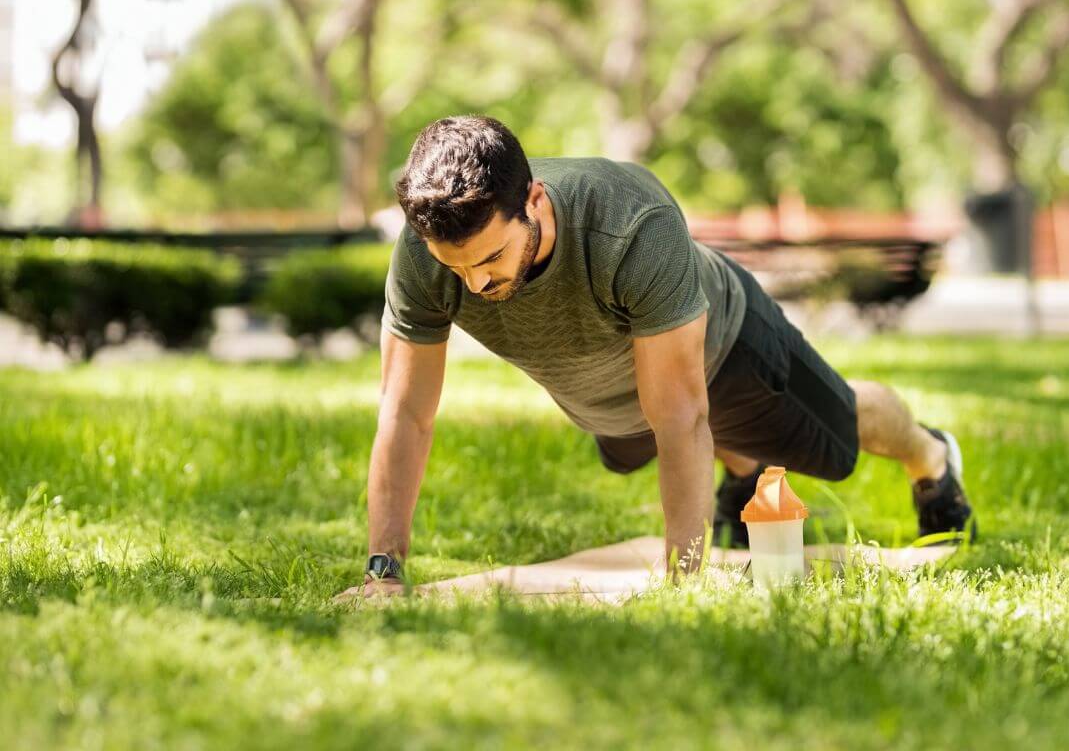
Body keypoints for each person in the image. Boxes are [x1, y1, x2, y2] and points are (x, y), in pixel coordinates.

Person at [343, 115, 975, 597]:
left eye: (490, 260)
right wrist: (383, 571)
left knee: (832, 440)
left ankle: (931, 454)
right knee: (642, 445)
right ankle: (740, 476)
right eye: (458, 267)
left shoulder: (631, 224)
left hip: (724, 350)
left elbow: (681, 416)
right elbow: (406, 414)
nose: (477, 286)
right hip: (614, 400)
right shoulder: (427, 257)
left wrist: (684, 582)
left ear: (534, 199)